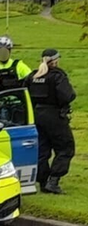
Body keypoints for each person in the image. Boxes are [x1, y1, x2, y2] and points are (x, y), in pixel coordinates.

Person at [25, 49, 77, 194]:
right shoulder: (57, 75)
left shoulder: (33, 76)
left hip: (36, 116)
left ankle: (42, 182)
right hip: (54, 116)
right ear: (55, 60)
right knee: (66, 147)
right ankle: (53, 180)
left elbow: (24, 92)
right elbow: (68, 95)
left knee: (42, 149)